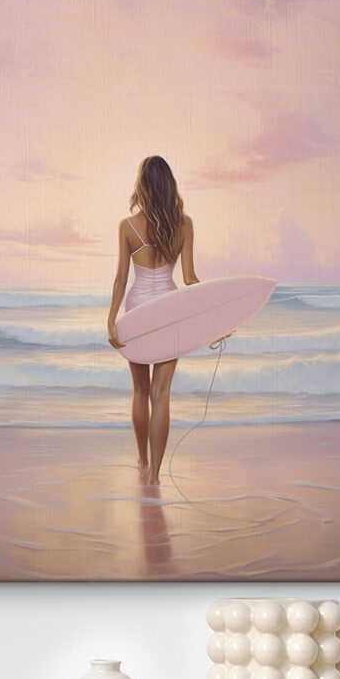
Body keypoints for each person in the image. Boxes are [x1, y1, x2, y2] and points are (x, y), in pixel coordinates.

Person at [107, 156, 198, 485]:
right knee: (161, 395)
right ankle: (155, 476)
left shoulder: (127, 226)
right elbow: (189, 279)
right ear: (169, 184)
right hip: (170, 311)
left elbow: (121, 279)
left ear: (142, 185)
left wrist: (111, 319)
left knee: (140, 391)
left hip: (138, 310)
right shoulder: (184, 224)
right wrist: (213, 317)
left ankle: (143, 460)